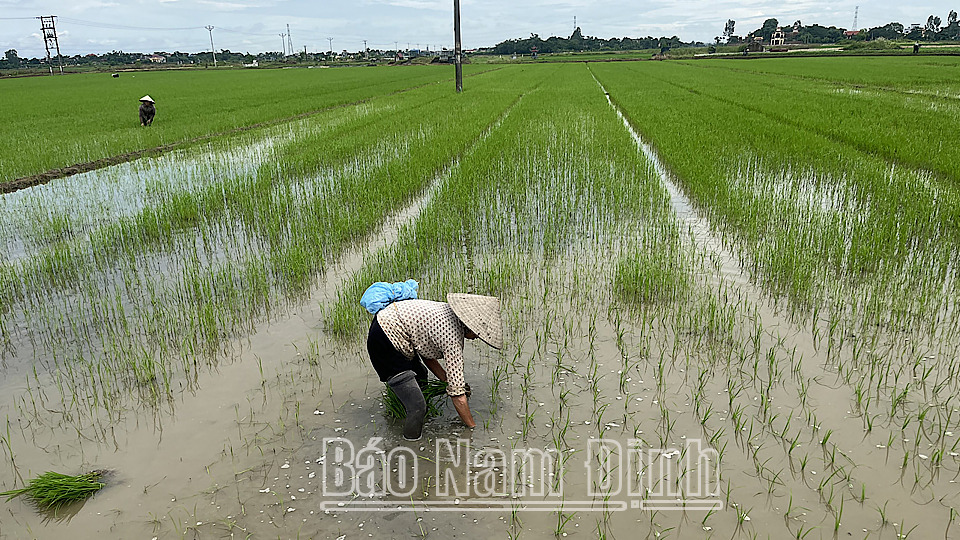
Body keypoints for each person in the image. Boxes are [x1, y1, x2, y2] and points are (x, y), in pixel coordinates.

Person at [367, 293, 502, 440]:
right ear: (470, 326)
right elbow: (458, 396)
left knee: (421, 375)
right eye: (478, 333)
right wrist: (472, 429)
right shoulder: (452, 338)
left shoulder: (446, 311)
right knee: (417, 407)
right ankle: (410, 446)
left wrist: (446, 379)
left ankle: (409, 414)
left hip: (387, 324)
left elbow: (426, 352)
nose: (477, 337)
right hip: (385, 341)